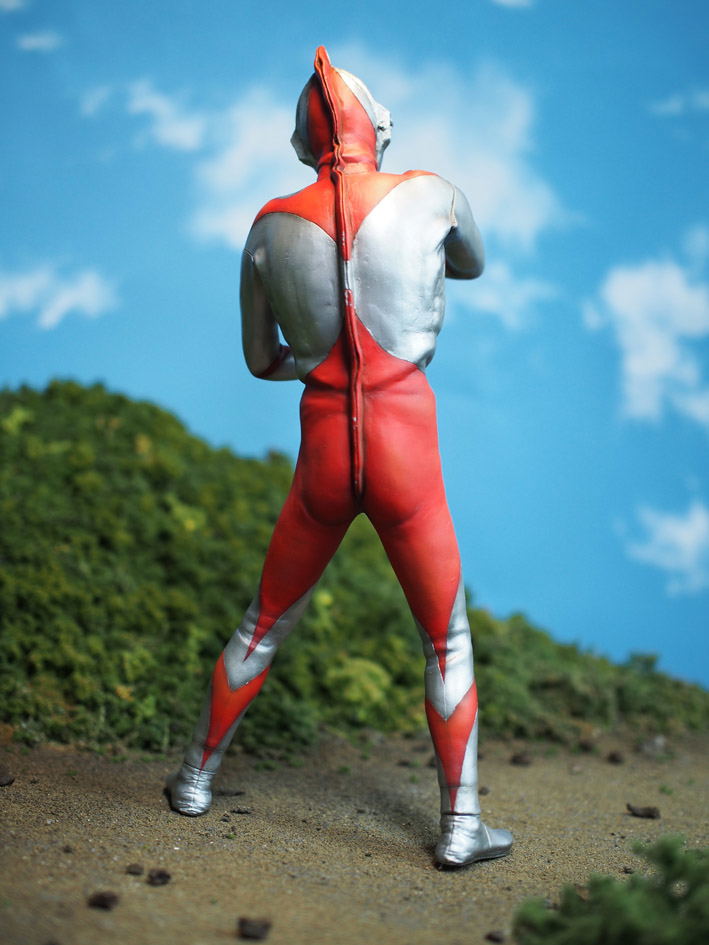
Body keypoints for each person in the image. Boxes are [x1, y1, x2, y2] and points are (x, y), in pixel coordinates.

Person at [166, 46, 513, 869]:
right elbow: (470, 263)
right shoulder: (433, 194)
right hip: (404, 448)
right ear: (376, 126)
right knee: (444, 640)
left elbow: (260, 360)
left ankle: (193, 778)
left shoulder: (268, 226)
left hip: (324, 443)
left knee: (261, 623)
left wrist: (320, 363)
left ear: (301, 141)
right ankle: (460, 824)